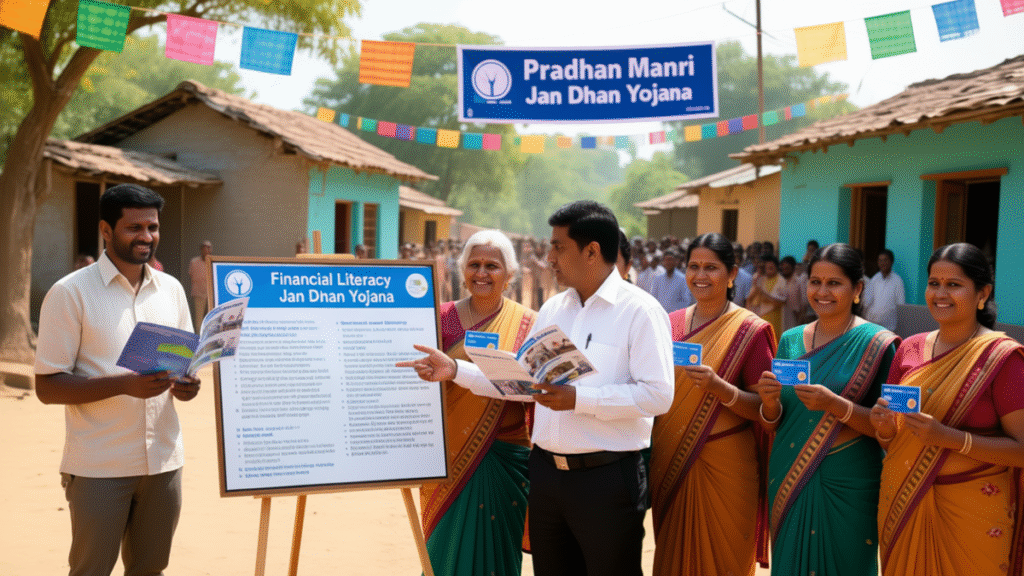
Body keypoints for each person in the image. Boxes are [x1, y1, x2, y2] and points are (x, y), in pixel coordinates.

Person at [399, 200, 674, 576]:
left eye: (558, 247)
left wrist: (580, 399)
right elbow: (524, 383)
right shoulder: (555, 309)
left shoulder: (640, 311)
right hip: (546, 476)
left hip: (606, 478)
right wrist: (456, 370)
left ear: (591, 252)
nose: (549, 258)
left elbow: (658, 395)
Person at [34, 183, 200, 576]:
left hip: (164, 462)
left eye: (153, 227)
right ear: (106, 231)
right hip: (99, 466)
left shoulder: (172, 290)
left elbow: (183, 368)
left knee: (150, 569)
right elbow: (47, 386)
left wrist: (187, 387)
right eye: (134, 227)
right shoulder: (69, 293)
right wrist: (123, 385)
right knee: (90, 570)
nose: (147, 237)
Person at [870, 243, 1024, 576]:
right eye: (934, 283)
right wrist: (884, 429)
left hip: (973, 513)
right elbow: (894, 442)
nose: (941, 294)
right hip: (905, 501)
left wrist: (949, 438)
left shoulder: (1002, 359)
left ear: (983, 293)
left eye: (954, 284)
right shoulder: (909, 349)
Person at [753, 243, 899, 576]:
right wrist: (770, 403)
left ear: (857, 289)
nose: (822, 292)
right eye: (815, 282)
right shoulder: (790, 340)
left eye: (834, 283)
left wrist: (835, 405)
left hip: (849, 481)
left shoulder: (878, 345)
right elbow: (776, 422)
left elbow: (888, 429)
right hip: (789, 476)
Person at [650, 233, 775, 576]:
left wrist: (720, 388)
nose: (700, 275)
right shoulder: (670, 325)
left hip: (727, 464)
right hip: (670, 457)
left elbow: (765, 411)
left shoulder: (750, 331)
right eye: (694, 267)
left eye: (711, 268)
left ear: (732, 274)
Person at [414, 230, 536, 576]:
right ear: (462, 269)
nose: (481, 273)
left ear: (510, 274)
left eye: (492, 266)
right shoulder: (439, 318)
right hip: (446, 460)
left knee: (496, 557)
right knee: (443, 555)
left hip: (505, 458)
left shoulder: (529, 324)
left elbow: (535, 388)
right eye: (474, 264)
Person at [746, 255, 788, 340]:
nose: (768, 270)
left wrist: (762, 294)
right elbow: (750, 300)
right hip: (760, 321)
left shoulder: (781, 281)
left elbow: (779, 302)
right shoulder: (760, 279)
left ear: (777, 267)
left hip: (775, 321)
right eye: (767, 268)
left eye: (771, 268)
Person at [863, 249, 905, 332]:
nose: (882, 263)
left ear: (891, 262)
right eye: (880, 260)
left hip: (890, 327)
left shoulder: (897, 280)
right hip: (873, 324)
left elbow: (901, 303)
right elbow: (867, 299)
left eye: (885, 260)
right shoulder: (875, 278)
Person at [651, 248, 693, 313]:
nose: (668, 262)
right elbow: (653, 298)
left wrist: (675, 314)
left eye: (670, 260)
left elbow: (686, 301)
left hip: (676, 316)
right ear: (663, 262)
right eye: (666, 260)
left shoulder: (682, 279)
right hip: (661, 315)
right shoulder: (658, 279)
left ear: (675, 261)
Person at [188, 240, 212, 330]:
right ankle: (198, 337)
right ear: (201, 249)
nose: (208, 250)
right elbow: (191, 275)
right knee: (199, 319)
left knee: (210, 318)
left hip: (210, 295)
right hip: (198, 294)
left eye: (209, 247)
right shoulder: (194, 261)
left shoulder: (212, 261)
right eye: (206, 247)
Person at [779, 255, 806, 331]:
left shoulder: (799, 282)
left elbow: (804, 304)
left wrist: (800, 322)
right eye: (783, 267)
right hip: (780, 318)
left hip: (794, 319)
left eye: (787, 268)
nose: (784, 269)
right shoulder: (779, 282)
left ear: (793, 267)